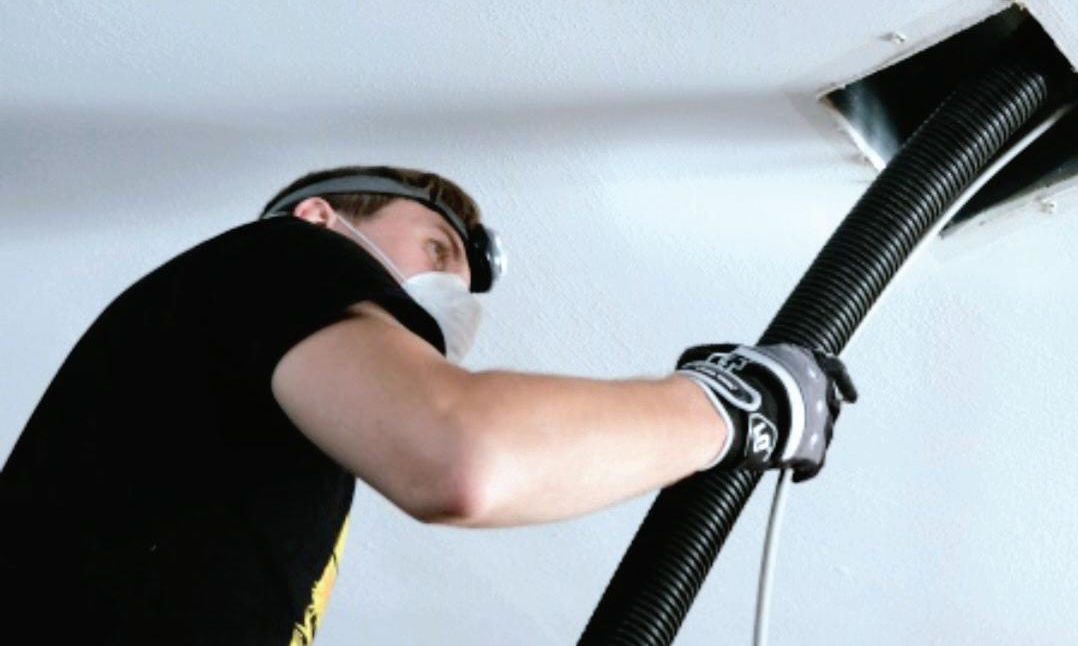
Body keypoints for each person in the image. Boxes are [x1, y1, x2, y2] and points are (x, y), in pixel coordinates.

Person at [0, 165, 856, 644]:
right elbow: (465, 457)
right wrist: (736, 404)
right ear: (320, 216)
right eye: (439, 249)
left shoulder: (259, 450)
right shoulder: (287, 253)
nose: (453, 291)